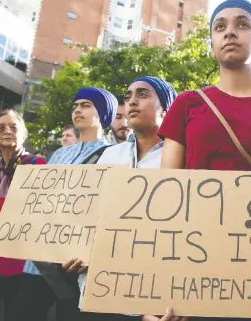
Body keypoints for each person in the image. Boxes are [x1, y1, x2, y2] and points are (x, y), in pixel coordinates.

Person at [156, 0, 251, 321]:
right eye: (220, 27)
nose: (230, 32)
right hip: (193, 258)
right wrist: (161, 285)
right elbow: (167, 193)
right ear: (211, 45)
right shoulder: (187, 103)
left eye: (242, 24)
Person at [62, 76, 177, 321]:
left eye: (143, 95)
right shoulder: (109, 155)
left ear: (167, 109)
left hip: (151, 301)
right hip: (95, 294)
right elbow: (89, 213)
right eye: (128, 97)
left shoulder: (182, 159)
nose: (132, 102)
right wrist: (78, 251)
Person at [13, 87, 118, 321]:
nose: (77, 110)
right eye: (75, 106)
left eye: (86, 105)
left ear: (102, 112)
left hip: (73, 265)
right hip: (38, 261)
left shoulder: (114, 155)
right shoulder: (60, 154)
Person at [0, 109, 46, 321]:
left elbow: (34, 206)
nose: (7, 131)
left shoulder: (37, 165)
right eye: (0, 127)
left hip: (23, 259)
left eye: (14, 127)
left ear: (24, 134)